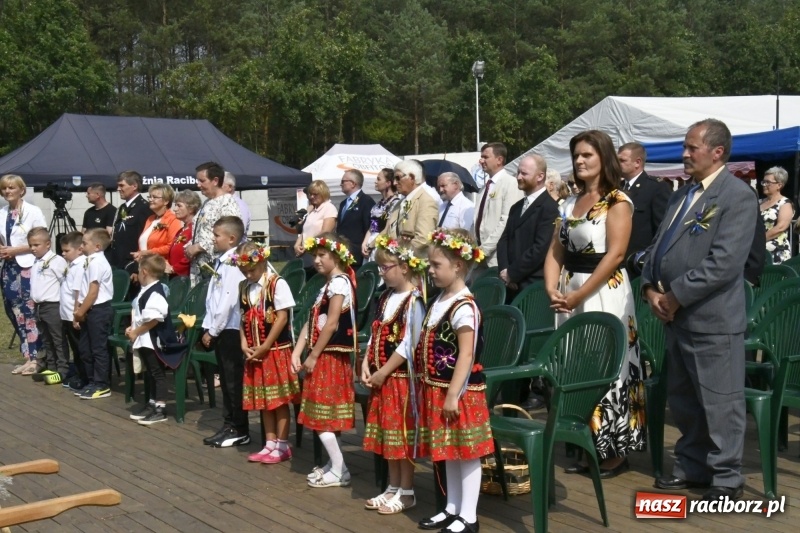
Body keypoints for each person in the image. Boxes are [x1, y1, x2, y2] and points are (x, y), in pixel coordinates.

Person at [642, 119, 758, 502]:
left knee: (721, 402)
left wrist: (675, 295)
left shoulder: (736, 196)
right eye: (685, 147)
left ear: (717, 152)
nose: (684, 154)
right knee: (685, 400)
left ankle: (726, 478)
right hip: (676, 317)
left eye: (692, 147)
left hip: (712, 319)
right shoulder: (682, 194)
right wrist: (648, 288)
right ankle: (692, 466)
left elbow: (724, 263)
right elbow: (657, 246)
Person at [544, 130, 646, 478]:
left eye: (587, 154)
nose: (580, 161)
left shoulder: (618, 201)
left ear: (603, 157)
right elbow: (555, 250)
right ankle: (586, 441)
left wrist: (579, 293)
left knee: (609, 365)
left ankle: (614, 449)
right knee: (577, 364)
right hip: (570, 290)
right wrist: (551, 288)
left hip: (604, 290)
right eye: (576, 156)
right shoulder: (567, 203)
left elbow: (616, 253)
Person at [416, 229, 493, 533]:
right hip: (437, 387)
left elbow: (465, 354)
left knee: (467, 451)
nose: (430, 270)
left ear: (458, 266)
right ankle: (451, 508)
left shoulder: (464, 306)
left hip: (459, 392)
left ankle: (469, 516)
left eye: (436, 265)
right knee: (448, 449)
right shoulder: (440, 300)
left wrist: (452, 395)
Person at [361, 235, 426, 515]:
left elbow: (409, 343)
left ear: (404, 266)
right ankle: (392, 486)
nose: (381, 272)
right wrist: (366, 362)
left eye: (386, 267)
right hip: (381, 379)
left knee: (402, 432)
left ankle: (407, 490)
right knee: (388, 435)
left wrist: (384, 371)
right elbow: (376, 332)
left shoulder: (414, 300)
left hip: (400, 380)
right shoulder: (385, 296)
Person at [291, 233, 357, 488]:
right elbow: (312, 322)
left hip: (329, 357)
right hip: (320, 354)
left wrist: (314, 355)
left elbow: (330, 324)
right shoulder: (328, 285)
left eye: (322, 255)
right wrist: (298, 352)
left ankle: (340, 469)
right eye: (314, 256)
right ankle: (335, 463)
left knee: (321, 413)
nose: (316, 260)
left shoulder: (340, 284)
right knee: (322, 413)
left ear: (337, 256)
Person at [234, 242, 300, 464]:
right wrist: (244, 343)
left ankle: (282, 444)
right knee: (264, 400)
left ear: (262, 262)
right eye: (244, 272)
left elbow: (282, 317)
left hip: (275, 351)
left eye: (252, 270)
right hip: (254, 352)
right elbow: (243, 318)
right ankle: (269, 443)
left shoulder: (276, 284)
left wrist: (265, 345)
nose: (249, 274)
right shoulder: (243, 287)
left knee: (278, 401)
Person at [201, 216, 249, 447]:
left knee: (232, 380)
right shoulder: (223, 261)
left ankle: (238, 427)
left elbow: (228, 300)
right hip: (222, 328)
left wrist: (213, 329)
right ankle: (229, 423)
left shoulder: (234, 263)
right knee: (227, 378)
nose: (213, 238)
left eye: (217, 235)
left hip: (229, 328)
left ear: (231, 238)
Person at [126, 254, 184, 425]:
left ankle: (160, 408)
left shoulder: (155, 292)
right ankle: (151, 403)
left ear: (144, 272)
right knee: (150, 372)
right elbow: (141, 314)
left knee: (157, 373)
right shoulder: (146, 290)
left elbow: (154, 319)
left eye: (138, 270)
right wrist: (133, 327)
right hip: (144, 339)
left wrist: (136, 331)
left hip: (153, 341)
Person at [0, 174, 47, 375]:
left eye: (12, 188)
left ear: (21, 190)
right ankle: (27, 355)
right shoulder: (2, 212)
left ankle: (38, 357)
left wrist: (16, 250)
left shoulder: (33, 211)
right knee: (13, 310)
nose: (8, 191)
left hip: (27, 266)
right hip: (8, 268)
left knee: (29, 312)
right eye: (4, 188)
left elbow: (41, 240)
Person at [497, 155, 560, 301]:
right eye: (518, 172)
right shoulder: (516, 207)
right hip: (509, 285)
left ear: (540, 176)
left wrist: (513, 273)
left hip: (532, 287)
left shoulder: (550, 208)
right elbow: (504, 240)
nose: (518, 177)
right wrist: (504, 272)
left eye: (524, 173)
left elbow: (540, 248)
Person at [73, 228, 114, 400]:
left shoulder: (97, 262)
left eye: (84, 243)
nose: (81, 246)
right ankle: (91, 381)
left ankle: (101, 384)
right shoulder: (89, 260)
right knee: (85, 348)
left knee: (98, 349)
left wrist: (79, 313)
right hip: (88, 309)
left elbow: (93, 292)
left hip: (98, 310)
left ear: (97, 246)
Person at [185, 162, 241, 286]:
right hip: (200, 271)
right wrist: (189, 246)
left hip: (216, 270)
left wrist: (199, 247)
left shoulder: (227, 202)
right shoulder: (207, 202)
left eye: (202, 181)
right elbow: (200, 232)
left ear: (215, 181)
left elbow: (230, 235)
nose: (198, 184)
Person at [617, 142, 672, 262]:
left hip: (638, 261)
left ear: (637, 162)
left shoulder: (656, 188)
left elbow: (662, 230)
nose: (616, 164)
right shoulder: (616, 188)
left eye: (622, 160)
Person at [27, 227, 69, 384]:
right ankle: (51, 366)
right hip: (39, 306)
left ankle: (63, 369)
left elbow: (64, 283)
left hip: (52, 305)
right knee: (46, 339)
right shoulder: (36, 262)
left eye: (36, 245)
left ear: (47, 244)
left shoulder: (56, 261)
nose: (33, 248)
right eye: (31, 245)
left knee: (57, 338)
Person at [473, 142, 524, 269]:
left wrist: (484, 249)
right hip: (478, 257)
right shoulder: (484, 188)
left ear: (499, 160)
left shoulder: (510, 184)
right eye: (481, 157)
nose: (481, 160)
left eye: (485, 157)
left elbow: (506, 221)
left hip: (497, 258)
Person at [382, 160, 439, 255]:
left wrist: (397, 252)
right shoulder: (400, 202)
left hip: (414, 262)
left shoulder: (426, 200)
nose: (395, 183)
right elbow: (389, 230)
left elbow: (423, 238)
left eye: (398, 178)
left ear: (412, 177)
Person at [59, 232, 88, 392]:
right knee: (74, 348)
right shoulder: (71, 265)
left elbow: (78, 292)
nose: (63, 254)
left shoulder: (80, 266)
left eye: (66, 251)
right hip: (66, 314)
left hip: (73, 314)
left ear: (79, 249)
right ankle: (78, 373)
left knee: (80, 348)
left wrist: (77, 313)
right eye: (62, 251)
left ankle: (84, 376)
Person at [105, 171, 150, 271]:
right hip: (117, 262)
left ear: (134, 186)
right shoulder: (122, 208)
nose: (118, 189)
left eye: (122, 185)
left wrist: (136, 267)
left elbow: (144, 239)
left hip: (131, 263)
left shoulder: (144, 207)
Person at [294, 180, 337, 277]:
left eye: (315, 194)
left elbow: (325, 232)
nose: (311, 197)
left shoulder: (329, 208)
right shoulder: (312, 210)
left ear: (323, 194)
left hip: (318, 252)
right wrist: (297, 244)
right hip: (306, 254)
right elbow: (304, 231)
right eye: (310, 194)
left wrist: (307, 246)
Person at [337, 169, 376, 266]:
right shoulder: (343, 203)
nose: (340, 184)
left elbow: (369, 227)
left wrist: (365, 246)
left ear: (353, 184)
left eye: (343, 181)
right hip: (343, 251)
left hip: (357, 254)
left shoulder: (366, 201)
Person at [361, 168, 400, 260]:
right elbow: (372, 227)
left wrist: (371, 244)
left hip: (382, 244)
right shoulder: (378, 205)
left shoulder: (395, 203)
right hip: (371, 243)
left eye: (379, 179)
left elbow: (387, 228)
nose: (375, 182)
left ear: (388, 183)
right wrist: (364, 243)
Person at [760, 166, 794, 264]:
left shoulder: (785, 203)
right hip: (758, 251)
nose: (764, 185)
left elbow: (780, 228)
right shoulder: (759, 202)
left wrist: (758, 240)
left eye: (768, 182)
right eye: (763, 182)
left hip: (776, 252)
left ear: (779, 185)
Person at [166, 190, 202, 277]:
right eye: (175, 205)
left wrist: (174, 269)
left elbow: (191, 255)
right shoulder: (182, 230)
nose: (175, 209)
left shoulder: (195, 229)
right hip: (175, 276)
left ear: (191, 209)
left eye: (179, 206)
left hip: (186, 277)